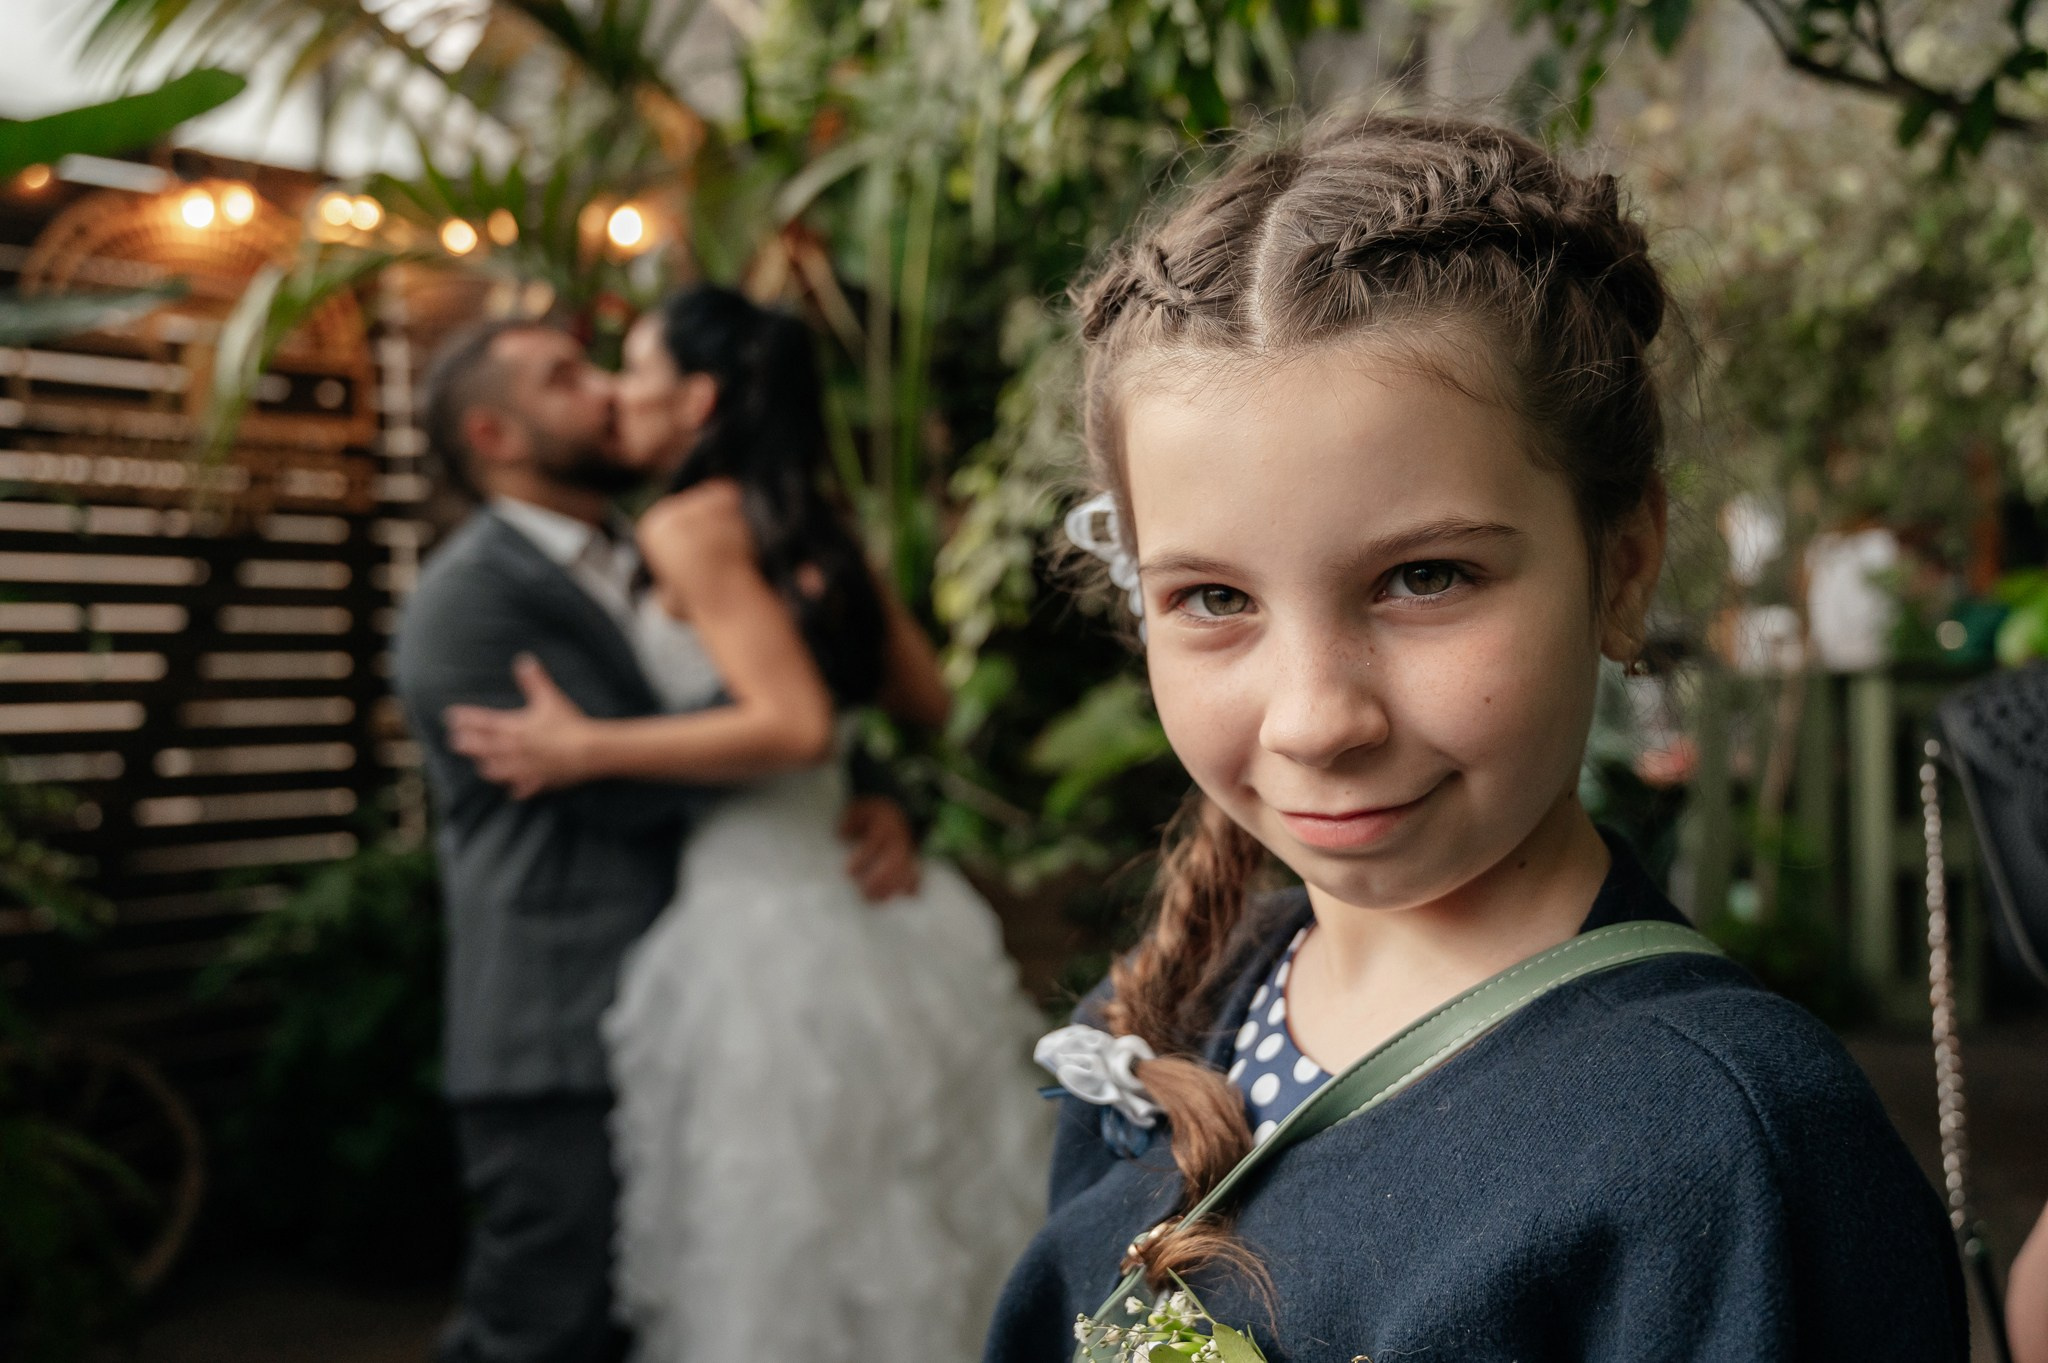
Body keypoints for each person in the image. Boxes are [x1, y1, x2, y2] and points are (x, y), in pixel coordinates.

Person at [984, 114, 1969, 1361]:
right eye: (1214, 600)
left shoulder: (1723, 1155)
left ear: (1621, 567)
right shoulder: (1169, 1010)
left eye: (1426, 578)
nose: (1314, 720)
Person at [443, 285, 1051, 1363]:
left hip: (759, 929)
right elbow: (926, 700)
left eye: (629, 367)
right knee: (898, 1207)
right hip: (864, 916)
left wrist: (585, 747)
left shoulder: (683, 526)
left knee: (779, 1235)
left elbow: (794, 720)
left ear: (698, 398)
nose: (613, 391)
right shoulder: (802, 522)